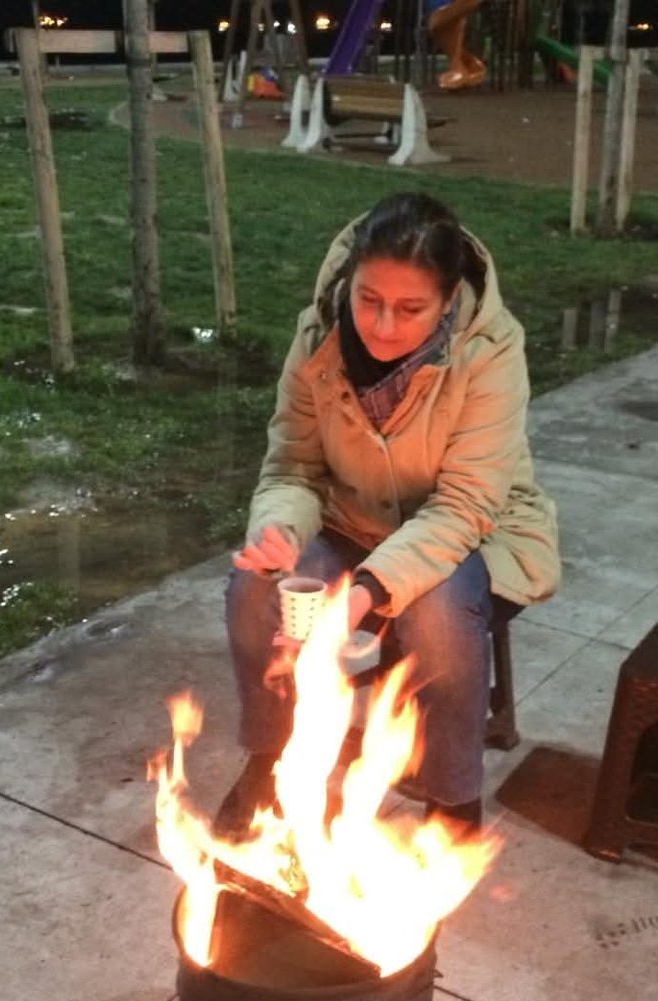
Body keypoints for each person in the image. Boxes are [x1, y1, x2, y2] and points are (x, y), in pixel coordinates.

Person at [216, 191, 560, 839]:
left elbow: (463, 507)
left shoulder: (490, 350)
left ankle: (451, 800)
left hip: (472, 534)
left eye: (409, 309)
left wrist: (363, 596)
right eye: (368, 300)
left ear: (448, 300)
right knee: (251, 588)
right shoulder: (317, 336)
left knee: (436, 610)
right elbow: (292, 468)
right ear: (348, 281)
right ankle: (268, 761)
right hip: (349, 521)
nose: (381, 326)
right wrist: (279, 530)